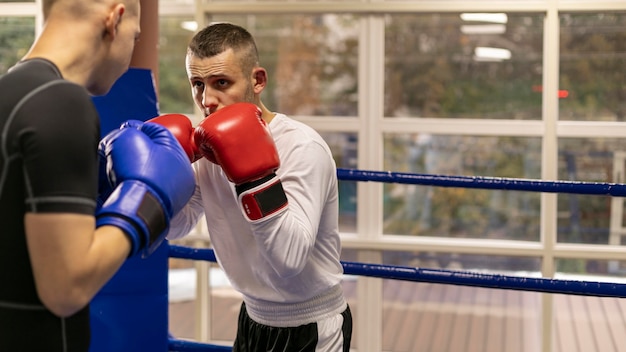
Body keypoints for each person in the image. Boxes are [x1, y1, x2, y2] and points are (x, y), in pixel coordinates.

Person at [0, 0, 195, 351]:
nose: (130, 54)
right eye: (134, 38)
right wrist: (146, 198)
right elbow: (66, 288)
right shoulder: (61, 103)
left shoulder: (12, 91)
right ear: (114, 18)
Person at [162, 22, 353, 352]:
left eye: (222, 83)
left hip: (310, 324)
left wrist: (253, 176)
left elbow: (289, 260)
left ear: (258, 80)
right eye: (197, 84)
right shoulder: (205, 148)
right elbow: (177, 227)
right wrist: (155, 184)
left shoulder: (301, 147)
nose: (207, 99)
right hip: (253, 317)